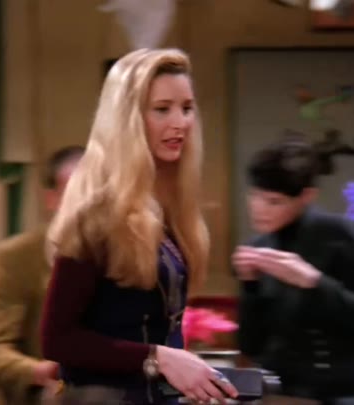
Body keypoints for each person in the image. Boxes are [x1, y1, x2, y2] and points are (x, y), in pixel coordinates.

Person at [40, 48, 238, 405]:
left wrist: (186, 371)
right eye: (162, 109)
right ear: (128, 120)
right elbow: (58, 339)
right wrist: (157, 358)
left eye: (187, 108)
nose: (180, 122)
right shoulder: (95, 216)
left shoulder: (171, 212)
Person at [232, 136, 354, 404]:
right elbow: (251, 345)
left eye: (274, 201)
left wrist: (313, 282)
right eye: (254, 196)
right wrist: (250, 285)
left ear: (307, 196)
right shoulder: (258, 247)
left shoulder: (339, 234)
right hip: (291, 395)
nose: (259, 209)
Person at [0, 145, 84, 405]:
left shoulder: (126, 256)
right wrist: (40, 371)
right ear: (52, 199)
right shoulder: (18, 257)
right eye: (76, 194)